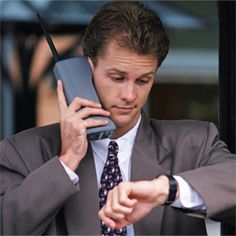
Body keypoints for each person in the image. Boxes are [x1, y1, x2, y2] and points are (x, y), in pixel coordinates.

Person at [0, 1, 235, 235]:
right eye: (118, 78)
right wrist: (67, 160)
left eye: (143, 80)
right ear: (87, 66)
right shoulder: (20, 152)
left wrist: (167, 189)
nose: (129, 95)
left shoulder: (195, 143)